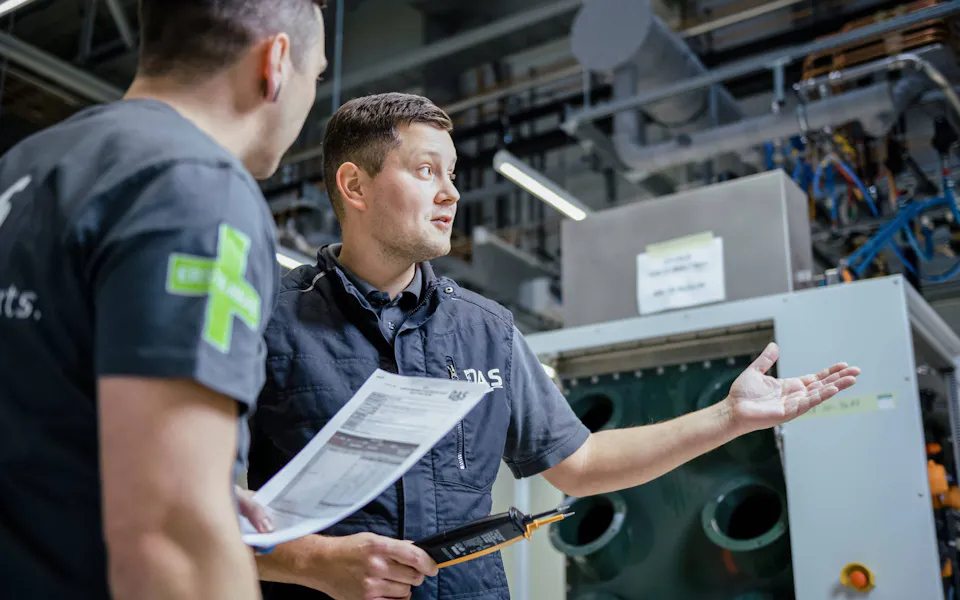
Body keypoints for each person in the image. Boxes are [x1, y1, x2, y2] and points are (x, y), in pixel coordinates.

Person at [247, 92, 860, 600]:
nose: (452, 194)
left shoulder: (485, 330)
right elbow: (183, 506)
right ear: (355, 185)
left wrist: (729, 418)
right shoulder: (265, 320)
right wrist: (312, 563)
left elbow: (581, 463)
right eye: (427, 170)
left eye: (453, 175)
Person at [0, 1, 328, 598]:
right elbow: (173, 540)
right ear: (276, 63)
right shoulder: (199, 187)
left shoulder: (25, 166)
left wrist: (186, 467)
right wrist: (188, 500)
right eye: (318, 74)